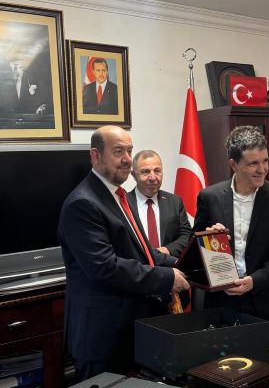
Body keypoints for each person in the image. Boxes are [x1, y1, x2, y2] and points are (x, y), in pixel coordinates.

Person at [57, 125, 190, 380]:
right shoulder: (83, 203)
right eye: (118, 151)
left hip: (129, 331)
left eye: (129, 150)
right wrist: (167, 278)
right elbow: (105, 267)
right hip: (102, 337)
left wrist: (185, 263)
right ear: (95, 156)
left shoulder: (119, 196)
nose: (127, 159)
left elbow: (142, 251)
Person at [193, 125, 269, 343]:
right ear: (234, 164)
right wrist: (208, 240)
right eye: (253, 163)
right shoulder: (209, 197)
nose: (262, 169)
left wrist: (254, 281)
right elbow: (194, 255)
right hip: (222, 305)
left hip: (267, 304)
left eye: (265, 161)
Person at [128, 150, 192, 257]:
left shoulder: (174, 202)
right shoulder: (123, 204)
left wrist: (167, 250)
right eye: (145, 172)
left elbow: (186, 235)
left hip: (170, 265)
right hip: (137, 265)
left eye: (157, 171)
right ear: (134, 175)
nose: (153, 177)